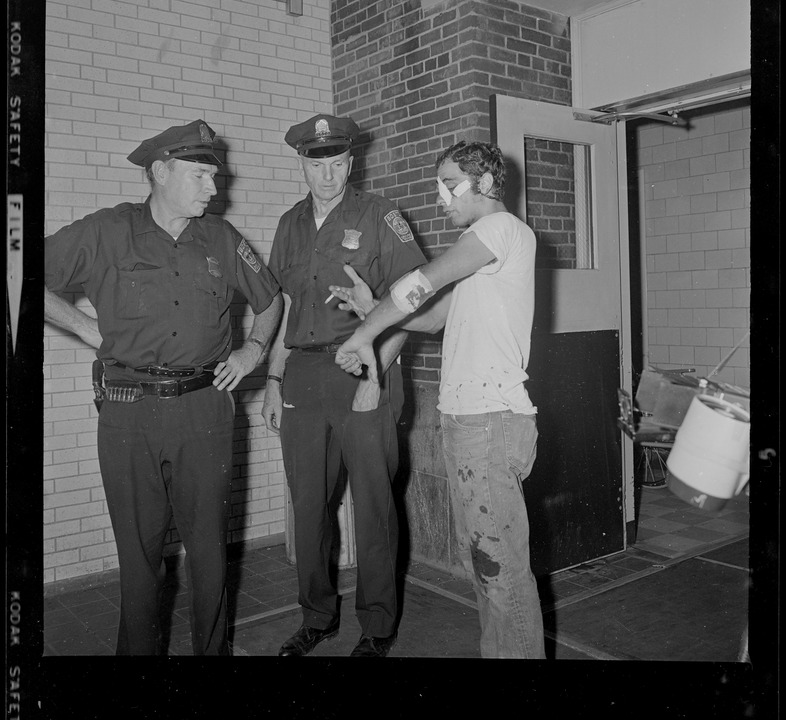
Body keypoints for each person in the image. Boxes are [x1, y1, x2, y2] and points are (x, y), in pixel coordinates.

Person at [44, 120, 283, 656]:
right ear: (159, 171)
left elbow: (271, 300)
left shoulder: (221, 237)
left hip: (206, 411)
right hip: (129, 416)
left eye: (214, 177)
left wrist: (252, 351)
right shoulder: (106, 231)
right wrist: (84, 327)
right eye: (200, 175)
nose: (212, 188)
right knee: (139, 558)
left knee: (209, 555)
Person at [331, 140, 546, 659]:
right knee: (488, 571)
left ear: (487, 185)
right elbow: (427, 316)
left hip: (488, 425)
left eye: (450, 185)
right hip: (470, 423)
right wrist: (369, 308)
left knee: (502, 576)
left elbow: (422, 283)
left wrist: (364, 338)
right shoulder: (480, 255)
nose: (440, 198)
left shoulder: (498, 230)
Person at [261, 113, 427, 657]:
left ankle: (378, 627)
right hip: (303, 375)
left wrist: (375, 372)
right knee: (308, 503)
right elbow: (285, 306)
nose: (328, 175)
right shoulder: (289, 224)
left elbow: (411, 302)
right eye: (317, 164)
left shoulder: (381, 216)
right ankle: (318, 617)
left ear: (350, 162)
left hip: (364, 369)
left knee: (373, 502)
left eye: (337, 163)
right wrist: (274, 376)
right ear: (302, 165)